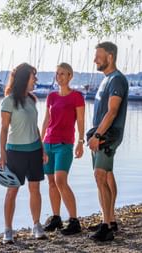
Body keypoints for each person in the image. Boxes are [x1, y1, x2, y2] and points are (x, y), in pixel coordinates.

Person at [0, 63, 46, 244]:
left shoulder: (32, 100)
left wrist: (42, 149)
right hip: (15, 152)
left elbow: (35, 128)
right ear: (25, 78)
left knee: (35, 189)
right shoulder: (8, 100)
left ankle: (36, 225)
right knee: (12, 191)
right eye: (34, 77)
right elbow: (3, 129)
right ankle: (8, 230)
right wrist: (2, 154)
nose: (36, 80)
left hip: (34, 151)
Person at [88, 41, 129, 242]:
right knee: (107, 176)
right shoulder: (106, 79)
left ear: (110, 56)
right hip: (100, 134)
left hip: (107, 137)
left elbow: (112, 112)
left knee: (100, 176)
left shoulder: (117, 80)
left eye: (98, 55)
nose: (95, 59)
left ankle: (106, 227)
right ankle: (110, 219)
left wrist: (97, 136)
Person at [41, 62, 85, 235]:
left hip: (65, 145)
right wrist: (40, 141)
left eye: (63, 74)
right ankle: (56, 218)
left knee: (60, 180)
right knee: (51, 182)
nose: (59, 76)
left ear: (70, 76)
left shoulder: (77, 97)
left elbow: (80, 121)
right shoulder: (51, 96)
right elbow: (46, 120)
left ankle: (74, 221)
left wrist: (81, 141)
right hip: (48, 143)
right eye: (57, 73)